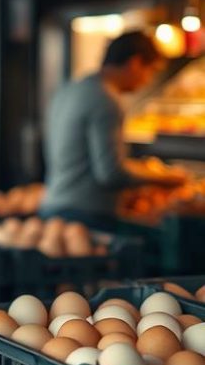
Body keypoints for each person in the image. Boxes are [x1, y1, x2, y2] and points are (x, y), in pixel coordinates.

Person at [41, 31, 187, 230]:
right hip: (85, 214)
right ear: (135, 63)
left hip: (53, 204)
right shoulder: (106, 100)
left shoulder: (70, 89)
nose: (147, 81)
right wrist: (166, 180)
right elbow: (110, 174)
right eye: (151, 71)